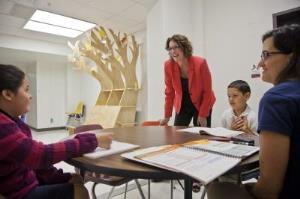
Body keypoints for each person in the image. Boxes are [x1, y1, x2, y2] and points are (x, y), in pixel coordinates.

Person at [207, 24, 300, 199]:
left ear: (292, 57)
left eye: (266, 55)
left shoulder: (276, 99)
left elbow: (269, 189)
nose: (259, 63)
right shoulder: (227, 114)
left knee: (215, 188)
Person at [0, 64, 113, 199]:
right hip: (18, 193)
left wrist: (60, 177)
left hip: (23, 184)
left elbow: (33, 163)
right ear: (7, 94)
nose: (30, 96)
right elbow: (40, 155)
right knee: (80, 191)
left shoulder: (14, 123)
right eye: (26, 90)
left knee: (76, 180)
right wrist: (94, 140)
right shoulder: (3, 126)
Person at [160, 34, 216, 127]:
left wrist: (202, 115)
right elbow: (169, 92)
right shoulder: (168, 65)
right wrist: (167, 116)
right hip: (183, 104)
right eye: (170, 48)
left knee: (200, 135)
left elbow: (207, 92)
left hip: (202, 102)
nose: (173, 51)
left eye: (176, 47)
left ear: (184, 47)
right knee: (178, 135)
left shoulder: (200, 63)